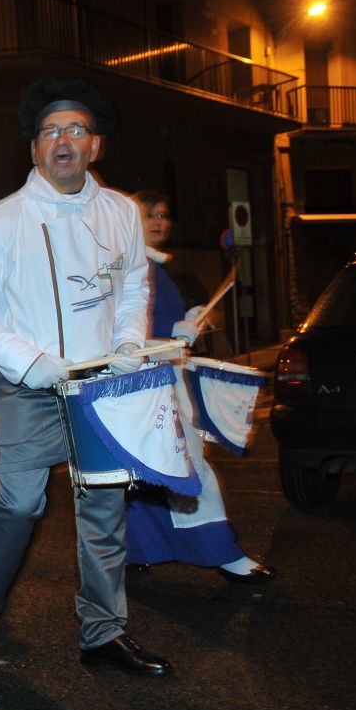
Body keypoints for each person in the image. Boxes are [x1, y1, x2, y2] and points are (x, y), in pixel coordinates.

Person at [0, 76, 170, 677]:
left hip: (101, 386)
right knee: (18, 505)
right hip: (30, 386)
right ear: (35, 149)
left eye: (75, 129)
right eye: (50, 131)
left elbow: (132, 287)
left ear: (94, 146)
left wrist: (127, 340)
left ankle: (103, 631)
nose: (62, 139)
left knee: (103, 510)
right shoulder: (0, 220)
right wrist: (29, 362)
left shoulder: (122, 211)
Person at [123, 190, 276, 584]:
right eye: (149, 214)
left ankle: (134, 549)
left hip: (159, 379)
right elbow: (118, 334)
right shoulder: (130, 266)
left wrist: (187, 324)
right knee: (183, 464)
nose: (159, 220)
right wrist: (172, 335)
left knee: (148, 469)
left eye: (164, 213)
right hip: (145, 382)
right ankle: (220, 552)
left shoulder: (154, 267)